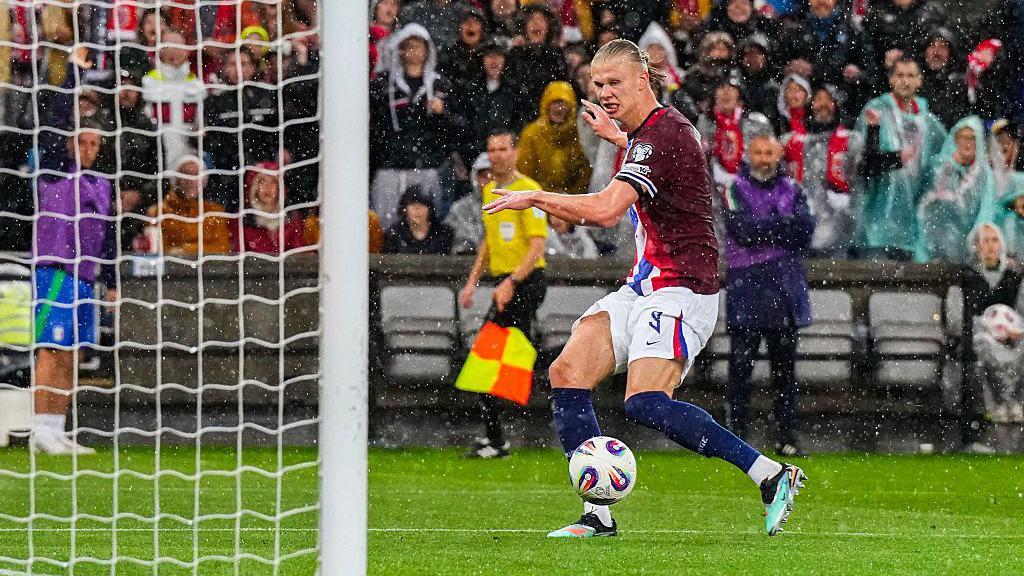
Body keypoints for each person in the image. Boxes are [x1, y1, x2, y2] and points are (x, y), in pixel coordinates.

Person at [483, 39, 804, 538]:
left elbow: (609, 209)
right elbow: (657, 160)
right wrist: (618, 139)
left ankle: (769, 474)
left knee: (645, 403)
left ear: (643, 80)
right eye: (598, 85)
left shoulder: (660, 134)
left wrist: (536, 197)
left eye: (615, 83)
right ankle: (598, 516)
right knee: (566, 372)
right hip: (644, 285)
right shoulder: (650, 135)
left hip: (682, 289)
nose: (605, 93)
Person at [723, 133, 815, 457]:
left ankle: (787, 436)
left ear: (779, 156)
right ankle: (736, 437)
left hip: (783, 290)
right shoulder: (734, 189)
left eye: (769, 153)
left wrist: (768, 228)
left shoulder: (794, 190)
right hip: (747, 289)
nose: (764, 159)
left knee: (785, 372)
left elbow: (805, 232)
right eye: (758, 153)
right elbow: (742, 231)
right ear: (749, 155)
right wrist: (781, 227)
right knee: (740, 368)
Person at [459, 129, 547, 459]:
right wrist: (471, 282)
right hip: (505, 284)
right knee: (497, 356)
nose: (496, 155)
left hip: (527, 282)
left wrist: (511, 282)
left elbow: (538, 246)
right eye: (491, 149)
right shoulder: (490, 191)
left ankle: (497, 438)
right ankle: (497, 433)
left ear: (515, 152)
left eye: (502, 149)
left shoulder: (531, 191)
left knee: (487, 355)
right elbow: (488, 242)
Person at [853, 57, 946, 260]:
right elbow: (862, 166)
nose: (906, 81)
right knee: (878, 289)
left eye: (911, 76)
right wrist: (894, 157)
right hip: (876, 227)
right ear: (891, 80)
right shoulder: (875, 111)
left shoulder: (929, 122)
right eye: (900, 75)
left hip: (913, 230)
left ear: (920, 81)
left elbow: (942, 162)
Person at [369, 24, 456, 230]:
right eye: (408, 46)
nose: (413, 52)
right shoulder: (384, 84)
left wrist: (442, 113)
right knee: (386, 227)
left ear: (427, 50)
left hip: (426, 166)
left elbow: (455, 127)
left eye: (418, 46)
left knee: (425, 225)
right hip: (390, 167)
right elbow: (376, 125)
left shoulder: (440, 85)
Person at [962, 223, 1024, 452]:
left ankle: (1015, 402)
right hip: (981, 335)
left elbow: (1019, 310)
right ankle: (996, 403)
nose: (990, 246)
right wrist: (990, 328)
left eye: (994, 240)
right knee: (983, 345)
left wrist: (1012, 330)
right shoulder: (969, 276)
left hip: (1012, 336)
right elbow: (967, 315)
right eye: (985, 240)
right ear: (976, 245)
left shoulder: (1013, 277)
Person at [781, 84, 862, 257]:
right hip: (800, 225)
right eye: (818, 99)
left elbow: (865, 171)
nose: (823, 105)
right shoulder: (789, 141)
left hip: (841, 227)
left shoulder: (851, 140)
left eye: (829, 100)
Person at [916, 116, 997, 264]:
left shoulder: (985, 174)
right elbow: (923, 201)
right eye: (963, 137)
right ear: (955, 139)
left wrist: (976, 243)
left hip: (966, 253)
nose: (967, 143)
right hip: (930, 248)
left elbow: (986, 211)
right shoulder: (937, 165)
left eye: (972, 138)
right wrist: (952, 168)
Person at [145, 154, 233, 255]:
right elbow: (158, 248)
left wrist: (185, 250)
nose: (190, 179)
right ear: (176, 180)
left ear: (204, 180)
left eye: (196, 174)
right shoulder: (158, 212)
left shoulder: (215, 211)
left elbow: (221, 247)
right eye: (185, 173)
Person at [516, 81, 591, 195]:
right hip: (537, 200)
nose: (559, 108)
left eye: (563, 103)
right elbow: (525, 173)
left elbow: (585, 171)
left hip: (573, 202)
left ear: (571, 106)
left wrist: (569, 196)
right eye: (554, 103)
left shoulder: (580, 133)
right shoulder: (531, 134)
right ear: (546, 105)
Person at [233, 162, 315, 254]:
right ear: (254, 188)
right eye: (262, 181)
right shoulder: (243, 221)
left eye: (272, 181)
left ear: (279, 187)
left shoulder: (293, 220)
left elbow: (300, 257)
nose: (267, 187)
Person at [383, 186, 455, 255]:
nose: (417, 209)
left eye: (423, 205)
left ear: (430, 209)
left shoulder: (444, 233)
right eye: (413, 204)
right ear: (405, 209)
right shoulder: (394, 234)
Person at [445, 152, 492, 255]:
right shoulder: (460, 208)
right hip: (467, 266)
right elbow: (456, 245)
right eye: (484, 176)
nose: (489, 180)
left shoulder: (514, 205)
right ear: (475, 178)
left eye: (493, 176)